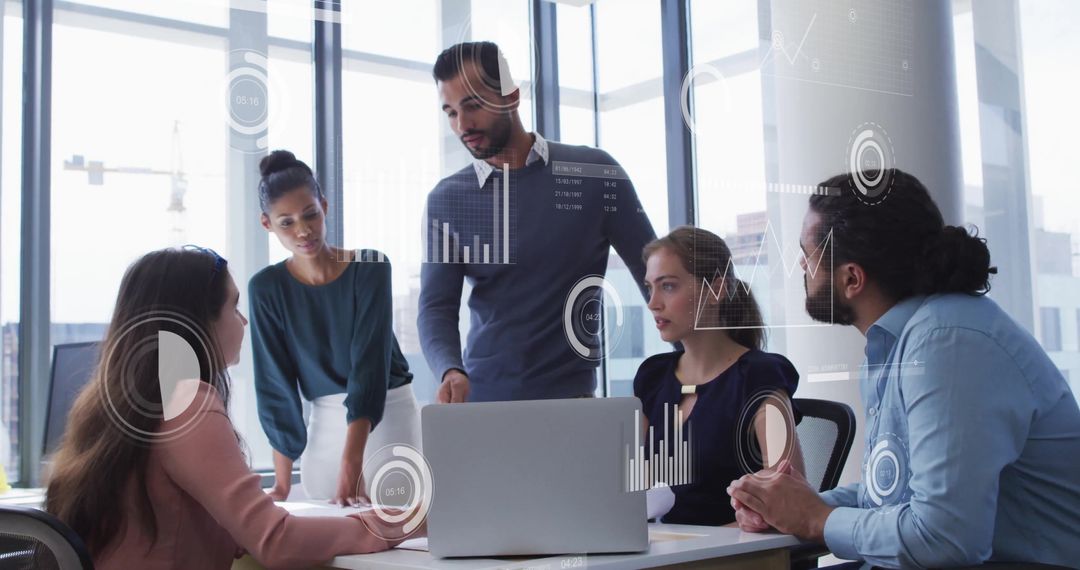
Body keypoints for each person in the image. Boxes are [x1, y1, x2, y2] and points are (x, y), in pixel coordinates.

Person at [727, 170, 1080, 568]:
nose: (800, 267)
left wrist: (815, 518)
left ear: (851, 278)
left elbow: (944, 538)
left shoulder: (947, 340)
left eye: (807, 254)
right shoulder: (902, 342)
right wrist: (788, 506)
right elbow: (900, 496)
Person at [44, 248, 409, 569]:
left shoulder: (114, 405)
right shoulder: (187, 405)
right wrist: (396, 522)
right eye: (233, 306)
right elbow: (275, 541)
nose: (244, 321)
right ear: (198, 322)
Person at [419, 41, 656, 403]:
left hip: (574, 402)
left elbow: (652, 271)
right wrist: (450, 368)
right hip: (482, 406)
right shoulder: (446, 200)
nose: (462, 125)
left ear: (511, 97)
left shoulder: (595, 174)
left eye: (473, 105)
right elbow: (436, 308)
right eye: (450, 112)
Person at [249, 151, 420, 504]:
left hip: (387, 412)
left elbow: (369, 367)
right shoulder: (266, 288)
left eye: (310, 214)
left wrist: (351, 460)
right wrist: (281, 486)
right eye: (287, 222)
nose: (303, 230)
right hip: (323, 426)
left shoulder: (370, 267)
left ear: (324, 206)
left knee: (396, 534)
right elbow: (274, 386)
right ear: (267, 224)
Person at [635, 226, 804, 525]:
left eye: (668, 286)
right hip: (662, 551)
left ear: (717, 289)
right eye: (650, 288)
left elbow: (792, 497)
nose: (653, 303)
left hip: (729, 555)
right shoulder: (653, 376)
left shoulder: (758, 376)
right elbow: (627, 481)